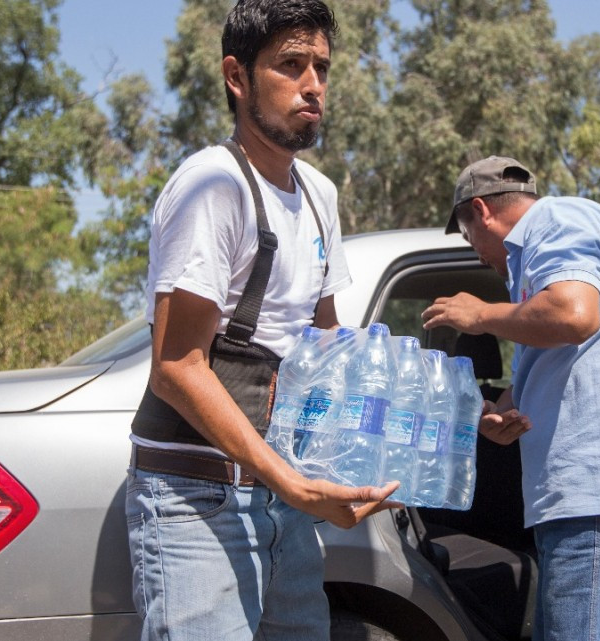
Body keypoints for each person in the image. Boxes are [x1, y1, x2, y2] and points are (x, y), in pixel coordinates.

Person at [124, 2, 397, 640]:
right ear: (236, 76)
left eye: (322, 68)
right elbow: (176, 367)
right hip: (197, 499)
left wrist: (421, 434)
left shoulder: (320, 194)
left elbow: (327, 345)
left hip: (283, 501)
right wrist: (293, 484)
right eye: (291, 65)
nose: (313, 85)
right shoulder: (213, 184)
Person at [422, 156, 600, 641]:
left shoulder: (558, 219)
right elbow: (542, 363)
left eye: (469, 240)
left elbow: (573, 315)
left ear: (481, 210)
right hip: (582, 505)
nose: (478, 254)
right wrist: (498, 413)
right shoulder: (534, 266)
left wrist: (482, 315)